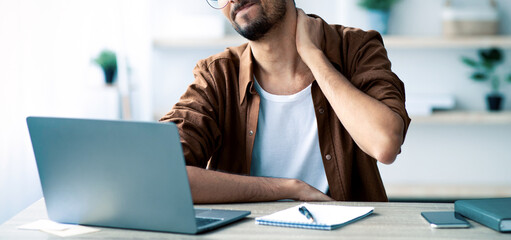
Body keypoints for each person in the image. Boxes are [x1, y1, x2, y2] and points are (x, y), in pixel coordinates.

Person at [160, 0, 411, 203]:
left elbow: (385, 143)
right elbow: (161, 173)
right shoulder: (217, 75)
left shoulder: (355, 48)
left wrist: (314, 56)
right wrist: (288, 189)